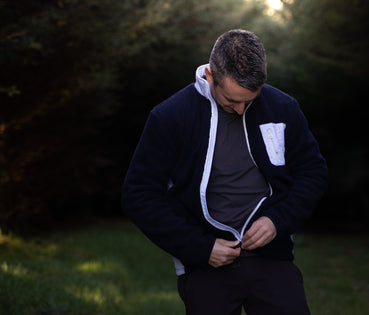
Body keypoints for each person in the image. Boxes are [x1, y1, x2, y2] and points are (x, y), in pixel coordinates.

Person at [122, 29, 328, 315]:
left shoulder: (283, 107)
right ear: (209, 76)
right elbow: (139, 195)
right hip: (206, 262)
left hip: (272, 255)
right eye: (232, 100)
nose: (242, 109)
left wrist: (278, 221)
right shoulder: (170, 117)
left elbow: (313, 172)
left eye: (250, 100)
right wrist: (200, 247)